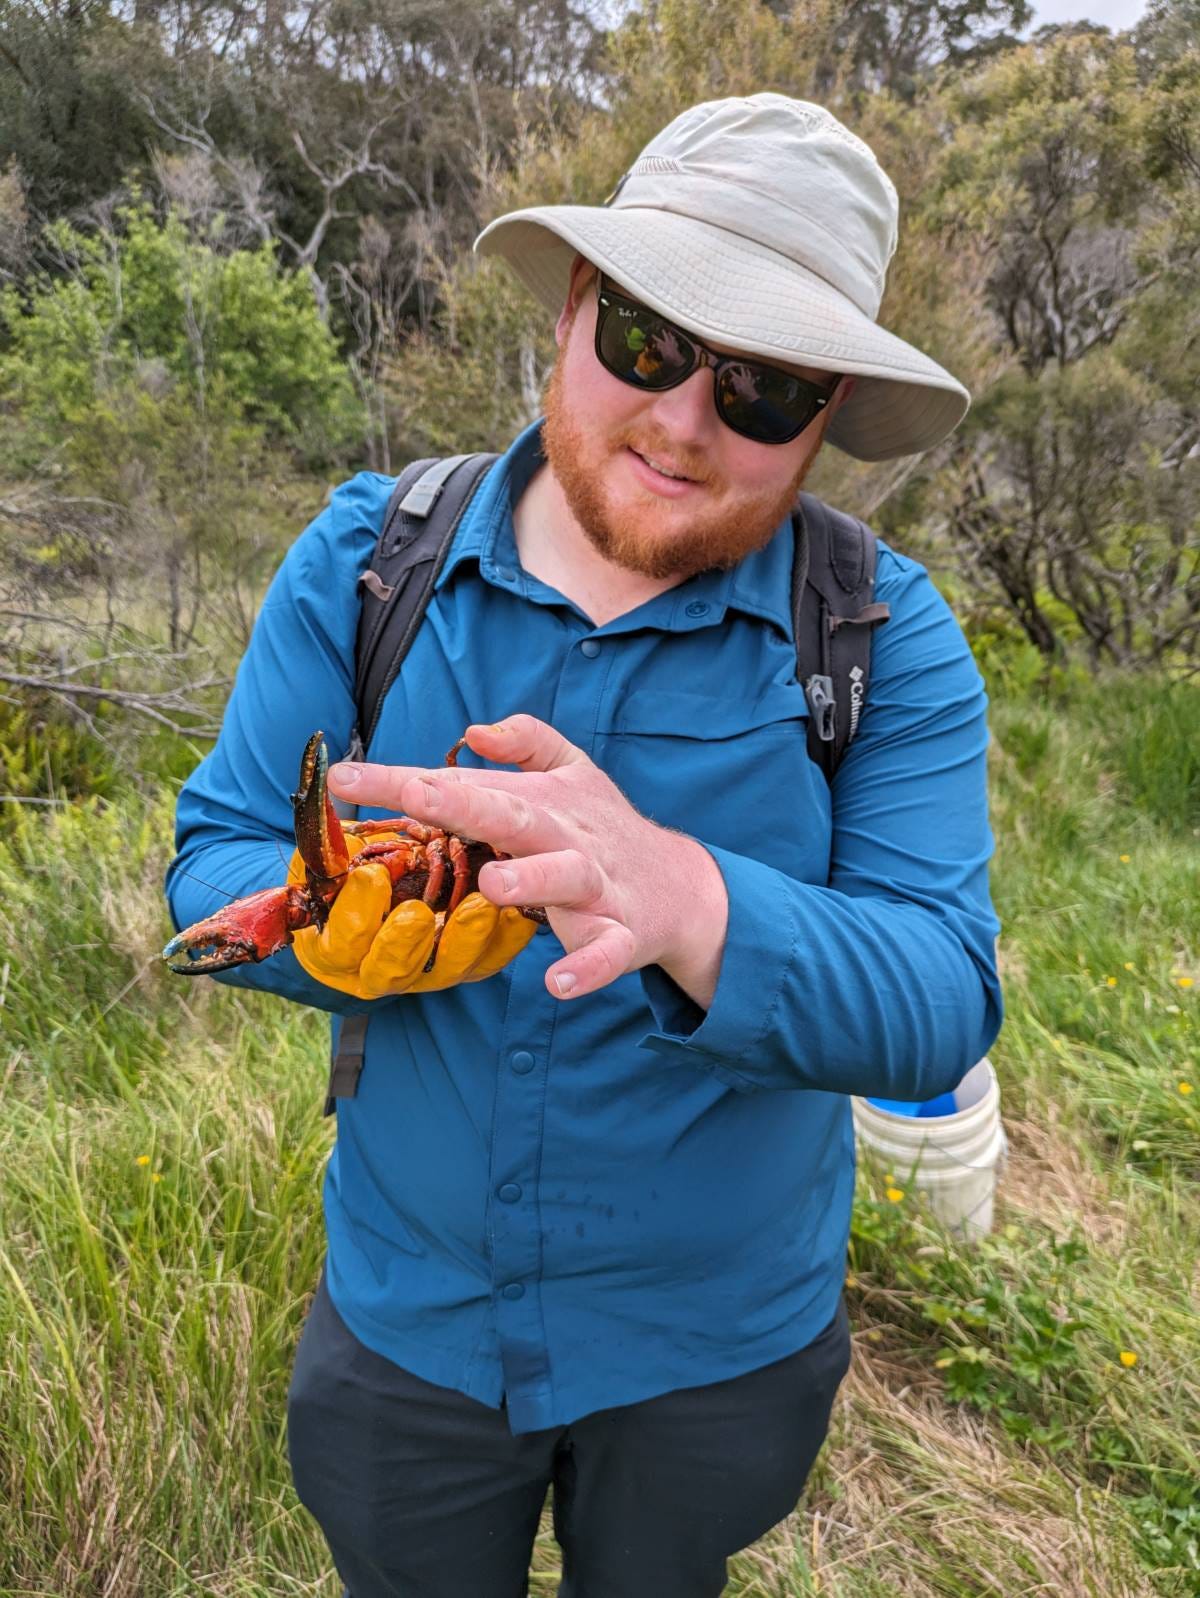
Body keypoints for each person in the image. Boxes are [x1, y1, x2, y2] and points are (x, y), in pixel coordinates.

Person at [166, 93, 1003, 1598]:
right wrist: (314, 923)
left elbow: (942, 993)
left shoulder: (882, 641)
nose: (684, 418)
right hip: (406, 1322)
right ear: (575, 307)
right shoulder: (371, 565)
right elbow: (215, 851)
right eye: (648, 341)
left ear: (825, 418)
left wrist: (690, 901)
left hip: (722, 1352)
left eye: (761, 390)